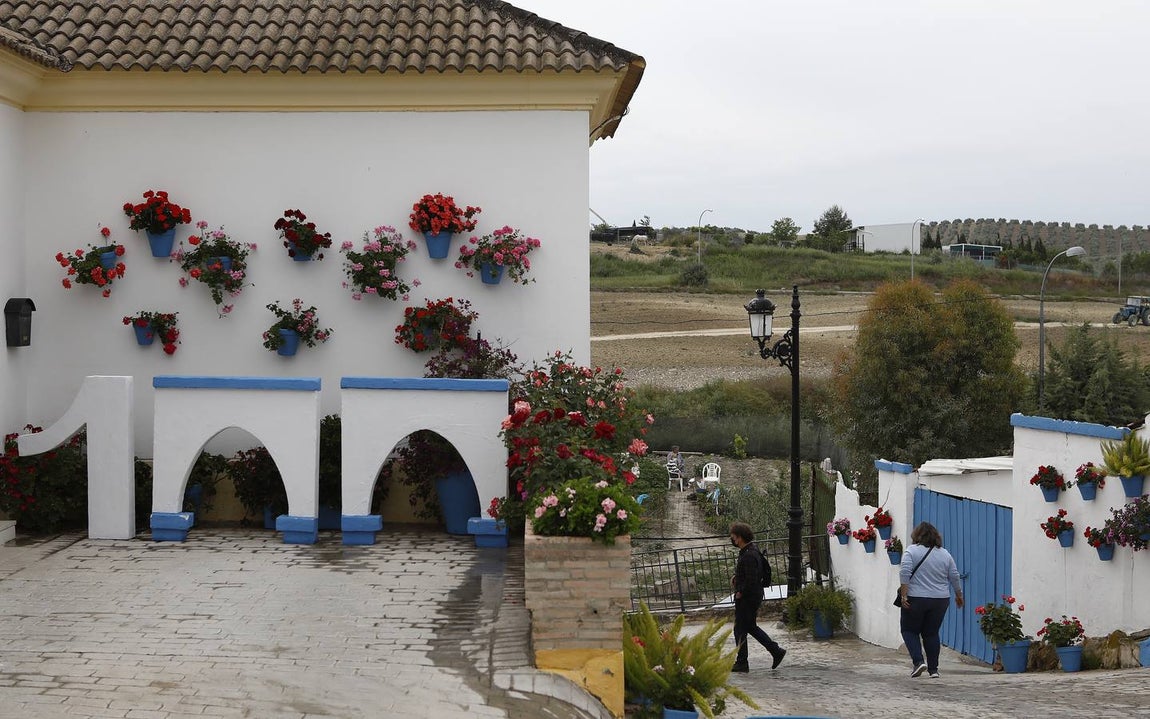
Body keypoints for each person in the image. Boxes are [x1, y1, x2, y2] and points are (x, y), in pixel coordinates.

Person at [898, 521, 964, 679]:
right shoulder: (945, 554)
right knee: (931, 633)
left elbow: (905, 572)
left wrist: (904, 595)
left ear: (917, 535)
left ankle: (918, 662)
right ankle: (934, 670)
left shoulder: (911, 551)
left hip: (916, 598)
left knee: (909, 630)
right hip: (940, 600)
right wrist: (959, 595)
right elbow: (954, 575)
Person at [728, 522, 786, 672]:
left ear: (740, 537)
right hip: (752, 596)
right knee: (748, 627)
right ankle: (774, 651)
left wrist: (741, 592)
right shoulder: (750, 551)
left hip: (748, 598)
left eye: (733, 537)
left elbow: (751, 579)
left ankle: (743, 662)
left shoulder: (748, 554)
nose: (732, 539)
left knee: (740, 629)